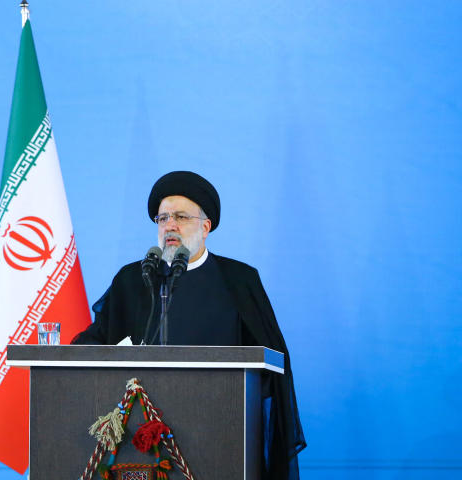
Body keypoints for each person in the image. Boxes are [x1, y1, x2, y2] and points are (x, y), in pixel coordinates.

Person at [73, 170, 305, 480]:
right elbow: (93, 342)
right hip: (138, 440)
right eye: (162, 218)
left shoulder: (238, 280)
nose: (169, 225)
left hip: (219, 432)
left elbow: (272, 366)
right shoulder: (133, 279)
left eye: (181, 217)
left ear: (206, 227)